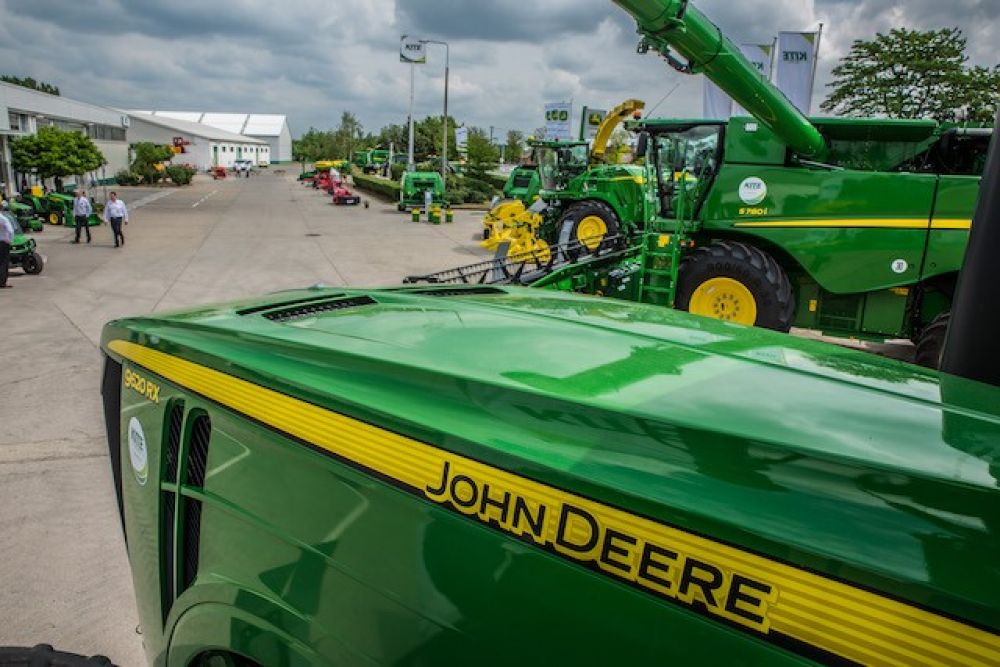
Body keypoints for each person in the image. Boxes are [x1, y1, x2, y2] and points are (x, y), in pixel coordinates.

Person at [0, 203, 13, 288]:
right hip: (3, 242)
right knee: (3, 263)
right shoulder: (4, 219)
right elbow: (10, 231)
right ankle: (2, 282)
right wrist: (10, 240)